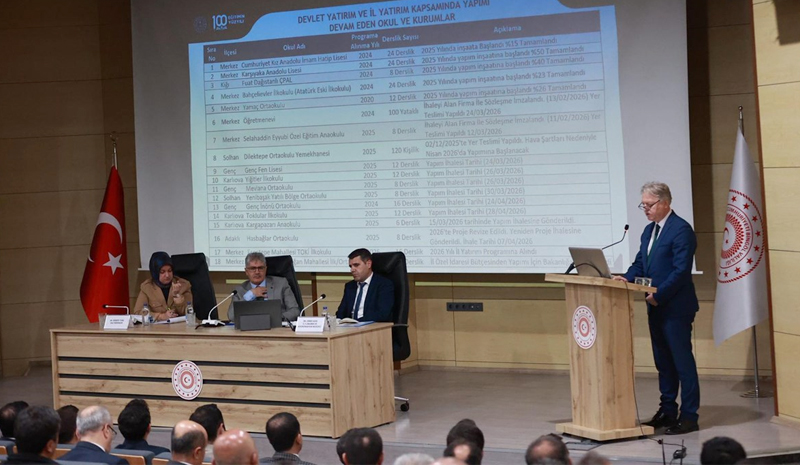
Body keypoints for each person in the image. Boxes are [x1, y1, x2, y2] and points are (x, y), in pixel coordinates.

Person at [613, 181, 700, 435]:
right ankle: (667, 411)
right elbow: (640, 264)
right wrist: (626, 278)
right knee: (663, 362)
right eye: (643, 205)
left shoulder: (681, 230)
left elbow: (681, 271)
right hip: (655, 306)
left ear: (665, 203)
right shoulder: (649, 231)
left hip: (676, 307)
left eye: (649, 205)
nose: (645, 210)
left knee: (682, 363)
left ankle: (689, 416)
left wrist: (659, 294)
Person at [229, 252, 300, 322]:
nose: (257, 272)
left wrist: (277, 318)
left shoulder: (281, 284)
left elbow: (295, 311)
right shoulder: (239, 290)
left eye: (260, 268)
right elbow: (232, 316)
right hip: (250, 327)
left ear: (265, 269)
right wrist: (250, 295)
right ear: (246, 271)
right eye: (253, 268)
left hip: (277, 327)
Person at [336, 249, 394, 322]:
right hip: (350, 327)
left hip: (372, 326)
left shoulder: (384, 285)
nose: (352, 270)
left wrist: (357, 322)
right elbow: (340, 313)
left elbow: (382, 314)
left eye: (356, 265)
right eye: (350, 266)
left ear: (368, 264)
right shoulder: (350, 286)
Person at [134, 251, 192, 321]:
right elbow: (138, 313)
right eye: (162, 272)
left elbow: (189, 313)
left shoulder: (183, 285)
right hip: (157, 327)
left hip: (180, 326)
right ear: (155, 272)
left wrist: (178, 297)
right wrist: (161, 316)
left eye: (169, 271)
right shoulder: (147, 287)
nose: (167, 275)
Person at [60, 406, 127, 465]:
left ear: (77, 433)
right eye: (111, 431)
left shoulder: (59, 461)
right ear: (106, 430)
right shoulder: (116, 463)